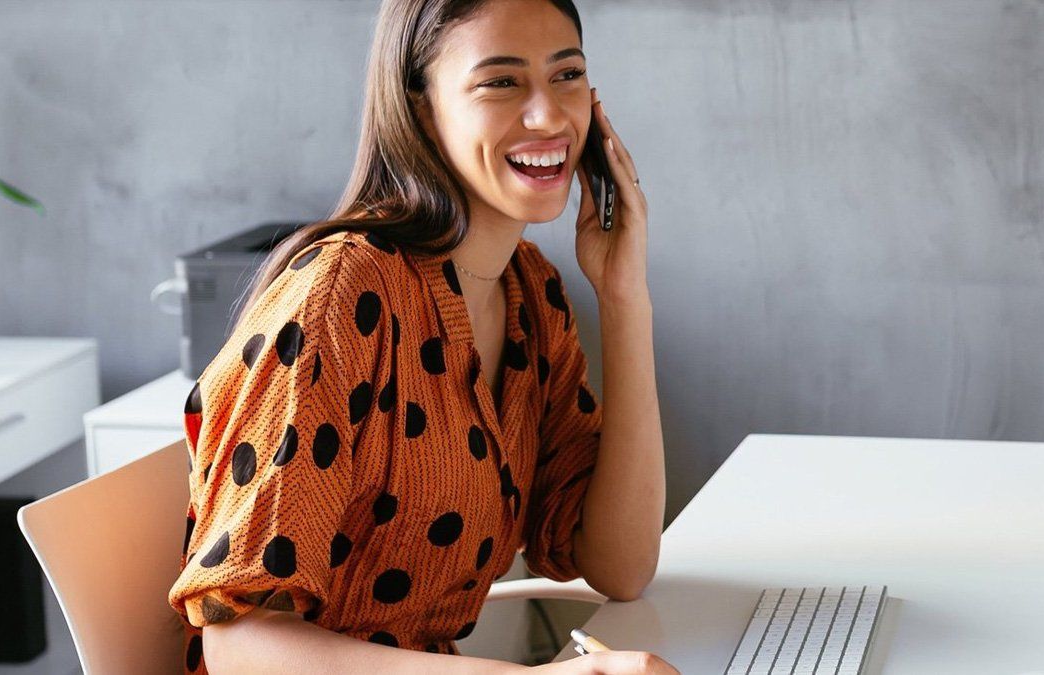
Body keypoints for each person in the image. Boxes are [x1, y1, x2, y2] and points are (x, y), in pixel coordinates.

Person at [166, 0, 673, 672]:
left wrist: (624, 296)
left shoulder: (532, 290)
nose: (550, 116)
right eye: (501, 81)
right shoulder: (340, 294)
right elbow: (240, 645)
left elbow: (622, 564)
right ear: (422, 108)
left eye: (567, 75)